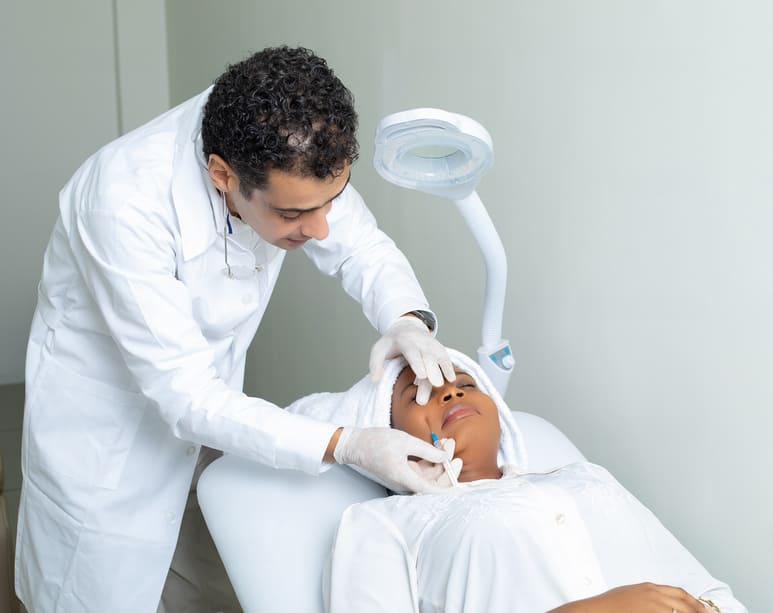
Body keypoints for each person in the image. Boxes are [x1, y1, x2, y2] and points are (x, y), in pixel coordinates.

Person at [16, 46, 458, 613]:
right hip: (107, 443)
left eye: (332, 201)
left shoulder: (295, 140)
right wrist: (349, 445)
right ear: (222, 174)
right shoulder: (122, 200)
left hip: (213, 421)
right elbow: (184, 393)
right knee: (97, 593)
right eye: (293, 215)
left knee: (209, 584)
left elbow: (362, 249)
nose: (321, 229)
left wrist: (408, 321)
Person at [288, 349, 748, 613]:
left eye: (465, 382)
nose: (451, 390)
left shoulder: (585, 477)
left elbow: (715, 595)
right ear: (384, 434)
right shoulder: (385, 522)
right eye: (420, 394)